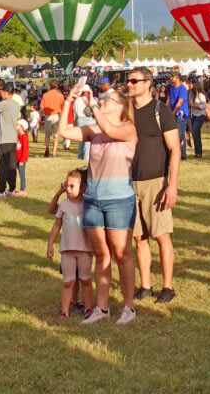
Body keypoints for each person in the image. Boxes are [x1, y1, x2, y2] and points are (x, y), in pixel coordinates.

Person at [58, 85, 139, 324]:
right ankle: (101, 309)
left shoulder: (128, 128)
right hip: (93, 200)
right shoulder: (95, 130)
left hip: (119, 200)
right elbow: (64, 131)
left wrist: (92, 105)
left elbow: (110, 129)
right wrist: (68, 102)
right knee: (102, 255)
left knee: (122, 254)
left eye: (106, 99)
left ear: (121, 106)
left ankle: (128, 307)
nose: (101, 101)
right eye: (101, 99)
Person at [125, 67, 181, 304]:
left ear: (147, 83)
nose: (129, 85)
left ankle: (167, 287)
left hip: (155, 181)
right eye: (128, 81)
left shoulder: (161, 111)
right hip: (129, 182)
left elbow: (175, 149)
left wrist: (172, 184)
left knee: (161, 235)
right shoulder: (126, 112)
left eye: (134, 81)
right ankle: (145, 285)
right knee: (140, 237)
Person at [47, 169, 95, 319]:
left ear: (82, 187)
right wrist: (50, 244)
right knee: (68, 281)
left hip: (85, 250)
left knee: (85, 280)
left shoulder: (88, 205)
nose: (68, 189)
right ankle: (65, 311)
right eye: (66, 186)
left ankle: (88, 308)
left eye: (72, 186)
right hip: (67, 250)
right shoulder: (63, 205)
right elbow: (56, 225)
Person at [38, 82, 65, 158]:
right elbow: (63, 107)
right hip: (57, 115)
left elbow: (42, 108)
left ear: (49, 87)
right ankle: (54, 153)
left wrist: (40, 118)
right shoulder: (60, 95)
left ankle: (47, 148)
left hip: (48, 116)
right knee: (56, 136)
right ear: (56, 87)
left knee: (47, 134)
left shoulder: (45, 95)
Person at [14, 120, 30, 196]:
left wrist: (22, 160)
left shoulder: (24, 137)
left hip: (21, 160)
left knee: (22, 174)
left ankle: (23, 189)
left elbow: (25, 150)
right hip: (17, 159)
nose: (15, 125)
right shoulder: (18, 136)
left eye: (17, 124)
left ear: (21, 127)